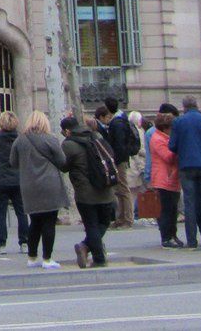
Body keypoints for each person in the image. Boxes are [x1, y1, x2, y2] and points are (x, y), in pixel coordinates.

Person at [9, 110, 67, 269]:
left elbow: (13, 162)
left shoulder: (20, 140)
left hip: (29, 186)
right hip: (50, 184)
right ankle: (47, 258)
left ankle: (32, 257)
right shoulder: (50, 139)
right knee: (49, 222)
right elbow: (62, 161)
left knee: (34, 222)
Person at [61, 115, 116, 268]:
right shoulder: (96, 136)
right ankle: (86, 247)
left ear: (67, 131)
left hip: (85, 192)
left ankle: (97, 257)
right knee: (104, 222)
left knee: (91, 224)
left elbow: (63, 166)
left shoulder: (68, 145)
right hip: (105, 187)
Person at [168, 95, 201, 249]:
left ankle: (192, 241)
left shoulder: (178, 122)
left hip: (186, 166)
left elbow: (172, 146)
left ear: (184, 107)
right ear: (196, 105)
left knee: (190, 203)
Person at [0, 110, 29, 256]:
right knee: (21, 212)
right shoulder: (21, 138)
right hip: (18, 179)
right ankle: (24, 242)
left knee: (1, 212)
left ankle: (2, 243)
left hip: (0, 180)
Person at [98, 96, 137, 228]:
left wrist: (114, 160)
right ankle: (121, 218)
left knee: (123, 189)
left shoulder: (117, 123)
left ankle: (127, 219)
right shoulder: (119, 120)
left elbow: (118, 144)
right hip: (120, 159)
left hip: (119, 160)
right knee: (119, 189)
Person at [149, 112, 182, 248]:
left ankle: (173, 235)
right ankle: (166, 237)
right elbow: (168, 157)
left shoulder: (166, 138)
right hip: (163, 179)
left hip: (172, 178)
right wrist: (177, 148)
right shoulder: (158, 139)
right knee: (166, 210)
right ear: (165, 128)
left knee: (173, 210)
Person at [126, 112, 146, 221]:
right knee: (133, 193)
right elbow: (140, 150)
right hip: (136, 166)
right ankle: (131, 216)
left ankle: (130, 215)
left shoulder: (127, 130)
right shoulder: (138, 131)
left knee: (130, 193)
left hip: (129, 166)